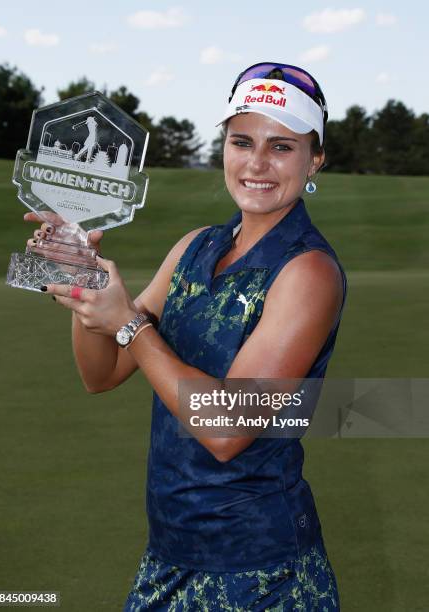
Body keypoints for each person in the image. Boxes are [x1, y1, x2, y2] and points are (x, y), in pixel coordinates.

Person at [25, 62, 347, 610]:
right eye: (242, 141)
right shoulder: (194, 247)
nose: (257, 163)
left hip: (261, 572)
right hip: (169, 554)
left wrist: (128, 322)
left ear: (315, 158)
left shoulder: (309, 272)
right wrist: (83, 279)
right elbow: (100, 373)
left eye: (283, 147)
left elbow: (227, 430)